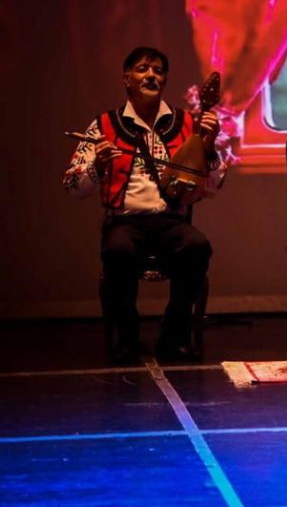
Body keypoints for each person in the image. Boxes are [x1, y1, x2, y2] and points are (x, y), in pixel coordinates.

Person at [64, 46, 226, 363]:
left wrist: (209, 147)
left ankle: (174, 335)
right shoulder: (103, 125)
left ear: (164, 80)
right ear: (127, 79)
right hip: (125, 222)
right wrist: (98, 165)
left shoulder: (187, 123)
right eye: (142, 69)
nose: (151, 75)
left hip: (171, 221)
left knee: (197, 246)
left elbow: (215, 184)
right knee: (118, 250)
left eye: (158, 70)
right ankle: (127, 335)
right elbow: (73, 187)